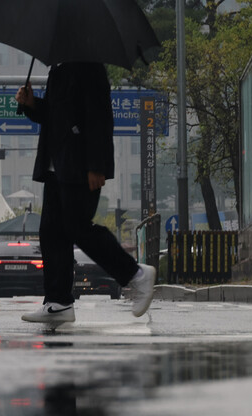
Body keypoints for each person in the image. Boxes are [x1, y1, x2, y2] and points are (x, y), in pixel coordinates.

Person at [14, 61, 156, 325]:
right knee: (52, 232)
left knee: (76, 227)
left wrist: (96, 165)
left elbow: (100, 117)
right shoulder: (59, 68)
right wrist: (32, 104)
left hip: (80, 165)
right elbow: (57, 117)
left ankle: (136, 275)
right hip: (57, 165)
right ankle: (58, 302)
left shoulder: (88, 66)